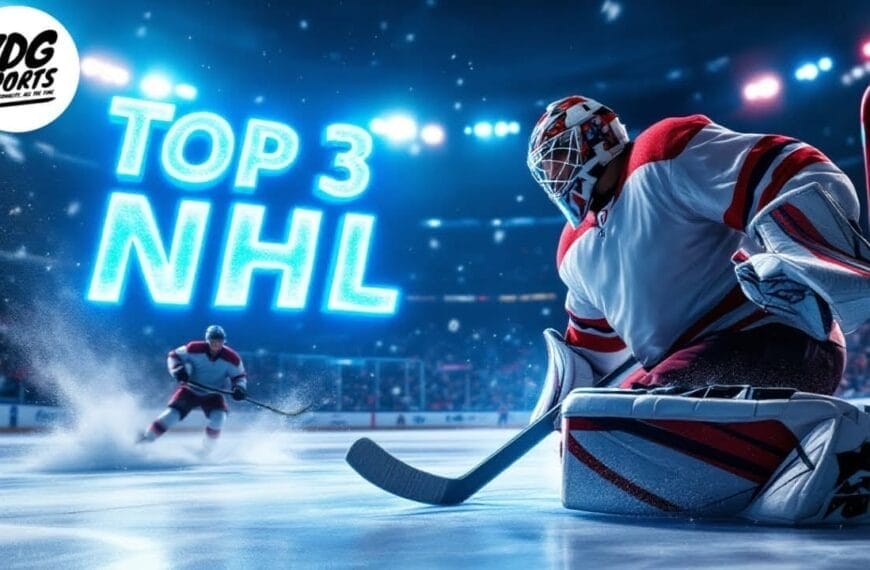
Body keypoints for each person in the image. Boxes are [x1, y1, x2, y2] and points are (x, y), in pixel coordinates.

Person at [526, 95, 870, 422]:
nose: (554, 175)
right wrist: (570, 409)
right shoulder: (573, 249)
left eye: (559, 156)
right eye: (547, 167)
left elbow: (790, 167)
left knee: (632, 414)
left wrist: (797, 251)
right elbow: (592, 353)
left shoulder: (661, 152)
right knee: (607, 416)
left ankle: (848, 450)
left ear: (597, 137)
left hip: (777, 336)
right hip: (689, 364)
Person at [138, 325, 247, 452]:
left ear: (224, 341)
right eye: (213, 341)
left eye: (220, 341)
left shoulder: (232, 358)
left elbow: (240, 376)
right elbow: (173, 356)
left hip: (214, 394)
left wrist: (239, 388)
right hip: (190, 390)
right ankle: (146, 439)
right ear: (207, 340)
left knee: (219, 418)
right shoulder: (194, 348)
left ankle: (207, 450)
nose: (217, 344)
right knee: (171, 416)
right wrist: (177, 370)